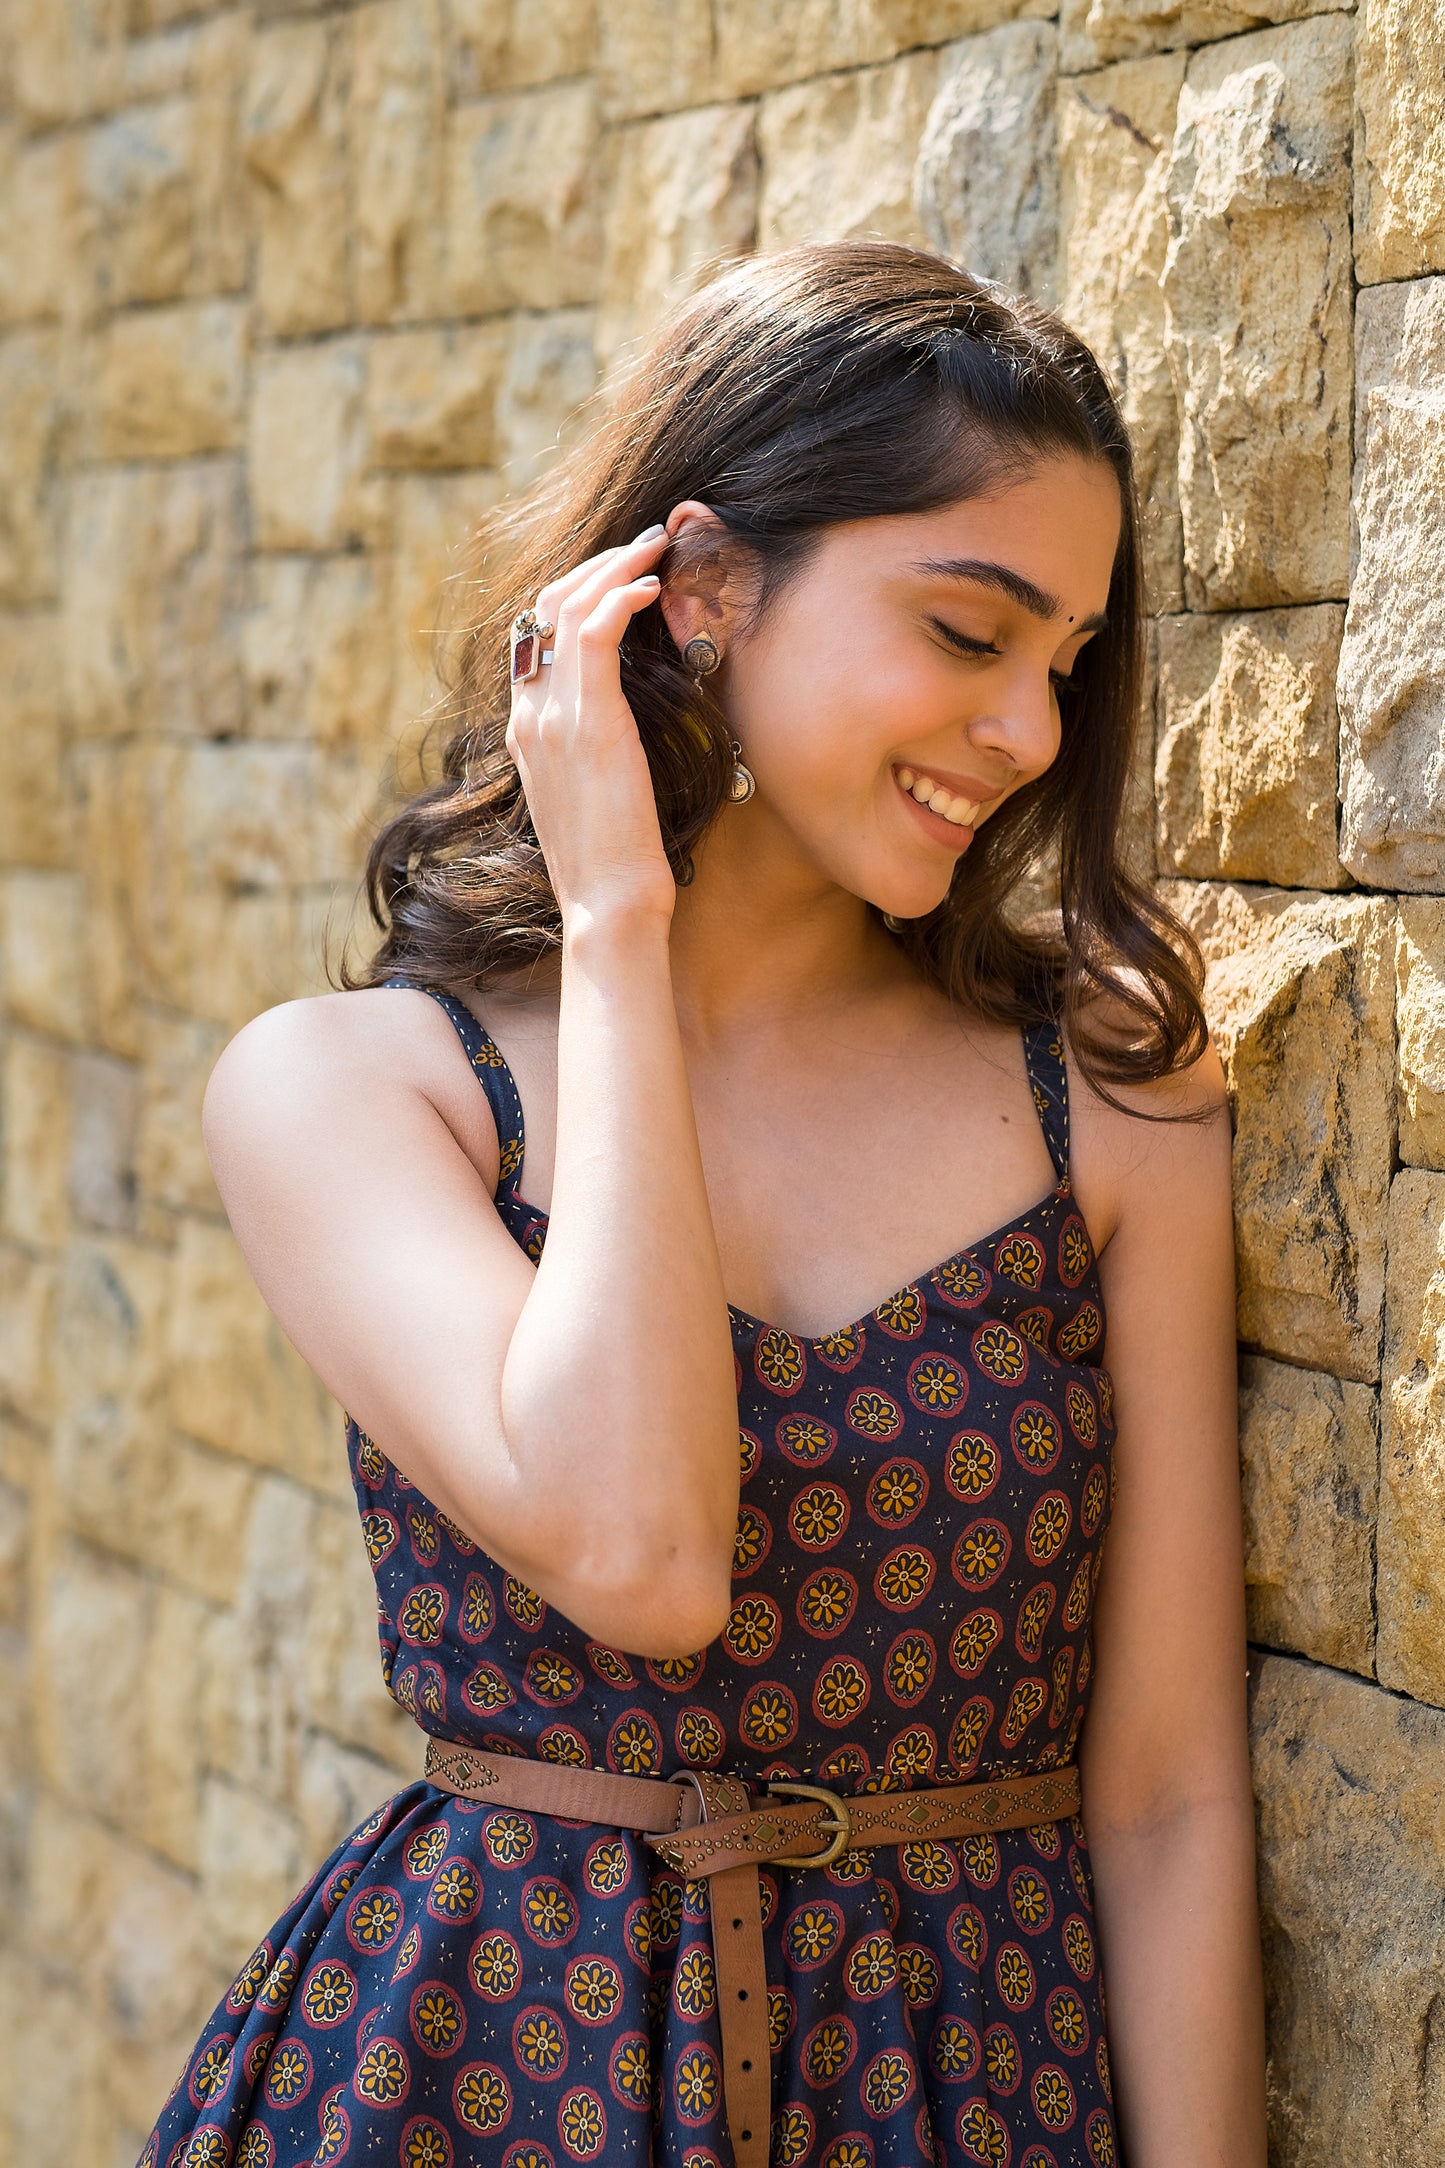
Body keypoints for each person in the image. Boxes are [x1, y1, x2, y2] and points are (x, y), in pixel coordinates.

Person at [140, 242, 1265, 2168]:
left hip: (962, 2085)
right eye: (968, 634)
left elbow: (1162, 1797)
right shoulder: (354, 1093)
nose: (1029, 735)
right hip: (481, 2073)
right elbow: (641, 1551)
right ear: (706, 590)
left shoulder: (1105, 1105)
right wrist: (614, 924)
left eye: (1066, 666)